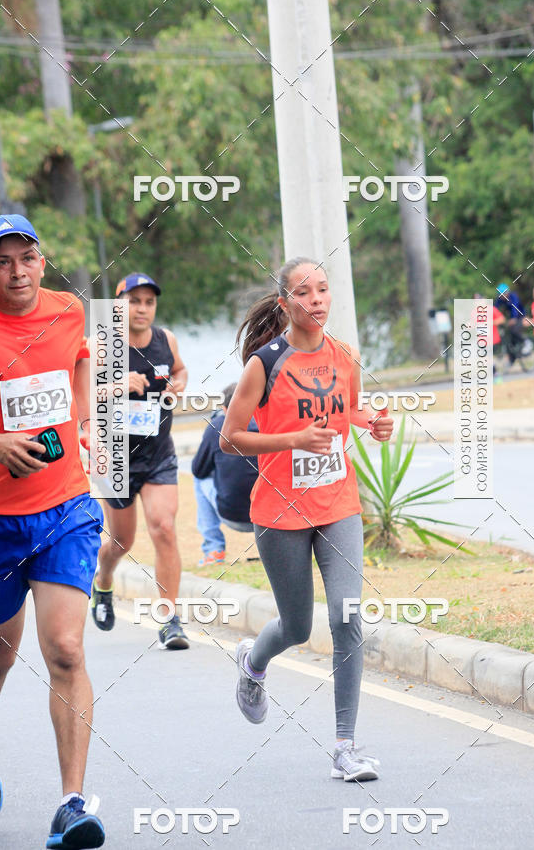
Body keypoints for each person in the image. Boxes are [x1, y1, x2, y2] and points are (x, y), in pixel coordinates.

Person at [220, 257, 394, 782]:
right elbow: (230, 438)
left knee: (346, 618)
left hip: (338, 504)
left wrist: (374, 423)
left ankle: (346, 747)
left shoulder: (346, 355)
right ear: (285, 304)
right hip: (279, 511)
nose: (316, 300)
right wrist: (293, 439)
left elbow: (349, 410)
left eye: (323, 290)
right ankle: (253, 663)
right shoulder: (264, 364)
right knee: (297, 625)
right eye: (304, 292)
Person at [0, 214, 105, 847]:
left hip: (64, 507)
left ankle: (72, 803)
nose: (16, 272)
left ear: (41, 260)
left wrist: (82, 417)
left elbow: (80, 361)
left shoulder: (67, 312)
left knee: (64, 649)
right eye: (1, 261)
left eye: (25, 258)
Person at [91, 273, 190, 649]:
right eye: (134, 301)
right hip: (114, 455)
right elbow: (79, 394)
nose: (142, 309)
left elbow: (179, 369)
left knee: (163, 528)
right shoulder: (102, 344)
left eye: (149, 302)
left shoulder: (167, 340)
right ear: (119, 305)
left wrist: (180, 383)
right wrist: (116, 386)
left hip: (158, 453)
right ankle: (103, 584)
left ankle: (169, 620)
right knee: (120, 541)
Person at [191, 383, 258, 566]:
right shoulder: (269, 421)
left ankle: (213, 550)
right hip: (272, 517)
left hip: (233, 515)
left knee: (199, 479)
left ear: (224, 408)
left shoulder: (218, 425)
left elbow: (198, 469)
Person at [495, 282, 526, 371]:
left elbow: (515, 308)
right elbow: (495, 308)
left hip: (520, 316)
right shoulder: (500, 299)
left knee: (514, 330)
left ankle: (525, 342)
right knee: (508, 338)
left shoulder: (513, 296)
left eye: (502, 295)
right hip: (511, 319)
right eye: (500, 295)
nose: (501, 297)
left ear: (507, 293)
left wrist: (514, 318)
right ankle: (512, 359)